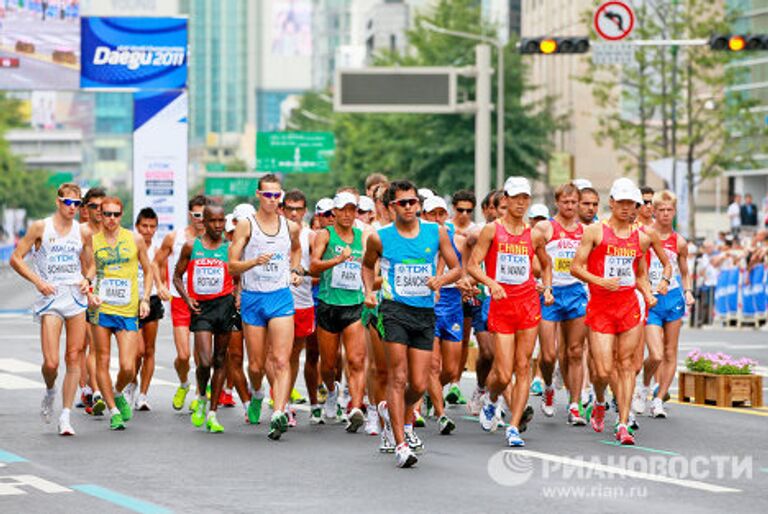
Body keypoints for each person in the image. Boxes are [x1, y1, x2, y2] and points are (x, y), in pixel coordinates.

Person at [362, 180, 462, 468]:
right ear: (391, 206)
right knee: (398, 377)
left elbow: (457, 267)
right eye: (402, 203)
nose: (409, 207)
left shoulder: (436, 232)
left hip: (424, 312)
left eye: (413, 202)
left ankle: (391, 412)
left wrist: (441, 280)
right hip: (394, 310)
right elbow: (367, 266)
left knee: (419, 383)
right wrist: (369, 291)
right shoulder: (380, 238)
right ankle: (400, 443)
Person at [467, 176, 554, 448]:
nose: (520, 202)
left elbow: (546, 264)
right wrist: (491, 284)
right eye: (515, 197)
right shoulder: (492, 230)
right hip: (502, 305)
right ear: (505, 199)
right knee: (504, 374)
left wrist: (548, 288)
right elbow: (472, 265)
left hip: (528, 303)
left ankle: (514, 427)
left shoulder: (535, 234)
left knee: (523, 367)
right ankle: (492, 400)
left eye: (525, 198)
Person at [570, 178, 656, 446]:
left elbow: (639, 275)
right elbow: (575, 267)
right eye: (623, 203)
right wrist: (599, 281)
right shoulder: (595, 231)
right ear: (612, 203)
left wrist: (648, 292)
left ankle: (623, 422)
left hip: (628, 306)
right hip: (601, 307)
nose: (628, 208)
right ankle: (598, 401)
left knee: (628, 365)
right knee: (603, 371)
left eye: (633, 204)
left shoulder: (640, 238)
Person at [10, 183, 93, 435]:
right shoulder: (40, 227)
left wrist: (87, 280)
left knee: (74, 355)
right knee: (51, 362)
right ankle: (49, 391)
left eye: (78, 204)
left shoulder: (83, 232)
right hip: (51, 298)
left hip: (76, 298)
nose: (73, 208)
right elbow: (16, 258)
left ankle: (65, 416)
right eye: (69, 203)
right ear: (58, 202)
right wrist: (39, 282)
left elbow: (91, 266)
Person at [229, 174, 303, 440]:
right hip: (253, 298)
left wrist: (294, 269)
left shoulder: (290, 227)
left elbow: (295, 250)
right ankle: (257, 392)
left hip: (280, 297)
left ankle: (279, 412)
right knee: (257, 365)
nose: (273, 200)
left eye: (276, 195)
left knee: (281, 360)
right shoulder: (246, 226)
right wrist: (253, 262)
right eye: (268, 195)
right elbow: (232, 265)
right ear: (258, 195)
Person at [88, 197, 153, 430]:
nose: (111, 219)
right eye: (107, 214)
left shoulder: (134, 238)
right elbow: (88, 272)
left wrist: (145, 299)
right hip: (101, 309)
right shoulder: (93, 241)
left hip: (127, 310)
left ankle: (116, 393)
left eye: (116, 214)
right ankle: (114, 411)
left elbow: (148, 269)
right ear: (100, 215)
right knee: (102, 360)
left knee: (128, 366)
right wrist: (88, 292)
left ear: (121, 215)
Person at [174, 205, 236, 433]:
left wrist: (236, 296)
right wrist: (188, 299)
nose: (218, 226)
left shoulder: (229, 249)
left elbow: (238, 276)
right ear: (204, 222)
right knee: (205, 361)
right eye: (213, 221)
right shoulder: (192, 246)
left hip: (225, 306)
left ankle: (212, 412)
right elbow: (177, 277)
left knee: (221, 359)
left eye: (221, 221)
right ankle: (201, 395)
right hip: (201, 309)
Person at [310, 192, 368, 432]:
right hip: (328, 304)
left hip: (354, 305)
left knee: (356, 360)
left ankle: (355, 407)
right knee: (329, 364)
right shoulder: (325, 235)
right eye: (342, 209)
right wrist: (337, 260)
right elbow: (314, 265)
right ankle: (332, 392)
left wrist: (372, 288)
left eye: (352, 209)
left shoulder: (362, 237)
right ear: (334, 212)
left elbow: (369, 266)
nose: (347, 214)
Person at [634, 191, 695, 418]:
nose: (666, 214)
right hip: (651, 299)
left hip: (673, 299)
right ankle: (645, 386)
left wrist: (688, 291)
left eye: (670, 210)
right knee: (656, 354)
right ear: (654, 211)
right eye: (661, 210)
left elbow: (685, 272)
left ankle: (658, 400)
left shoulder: (679, 242)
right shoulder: (645, 236)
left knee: (670, 352)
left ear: (674, 212)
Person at [534, 183, 589, 425]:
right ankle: (548, 387)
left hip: (576, 293)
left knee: (575, 351)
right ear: (557, 202)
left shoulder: (586, 231)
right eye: (565, 202)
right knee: (548, 355)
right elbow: (530, 256)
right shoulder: (545, 228)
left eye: (573, 202)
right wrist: (538, 279)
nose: (569, 206)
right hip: (550, 294)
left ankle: (574, 404)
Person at [154, 195, 208, 412]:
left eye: (204, 215)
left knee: (202, 356)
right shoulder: (174, 237)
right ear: (190, 215)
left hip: (204, 300)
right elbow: (156, 262)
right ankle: (185, 383)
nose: (201, 219)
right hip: (179, 300)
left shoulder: (214, 240)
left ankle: (199, 395)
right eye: (197, 215)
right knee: (184, 356)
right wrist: (160, 285)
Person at [421, 195, 469, 435]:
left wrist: (467, 284)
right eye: (433, 214)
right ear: (424, 216)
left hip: (451, 305)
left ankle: (431, 391)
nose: (438, 219)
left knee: (450, 370)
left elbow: (464, 270)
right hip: (427, 304)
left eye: (441, 214)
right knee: (433, 364)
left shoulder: (458, 241)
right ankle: (441, 414)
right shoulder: (418, 241)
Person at [282, 189, 317, 427]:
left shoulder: (312, 236)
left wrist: (302, 273)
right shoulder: (272, 231)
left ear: (305, 211)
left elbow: (319, 269)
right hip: (275, 299)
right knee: (277, 355)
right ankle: (280, 403)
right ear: (283, 209)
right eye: (290, 208)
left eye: (299, 209)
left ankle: (285, 401)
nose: (294, 213)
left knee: (293, 355)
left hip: (303, 301)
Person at [79, 186, 107, 415]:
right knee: (92, 345)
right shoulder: (80, 232)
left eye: (101, 206)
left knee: (101, 348)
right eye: (93, 206)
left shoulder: (111, 231)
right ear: (85, 208)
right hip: (83, 294)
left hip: (109, 294)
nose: (98, 210)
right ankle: (96, 392)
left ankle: (90, 387)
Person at [133, 208, 164, 411]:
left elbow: (158, 271)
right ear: (137, 226)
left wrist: (161, 287)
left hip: (151, 300)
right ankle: (130, 384)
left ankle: (142, 395)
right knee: (137, 352)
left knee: (150, 350)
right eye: (144, 226)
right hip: (131, 302)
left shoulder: (157, 248)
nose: (148, 230)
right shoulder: (129, 244)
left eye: (152, 226)